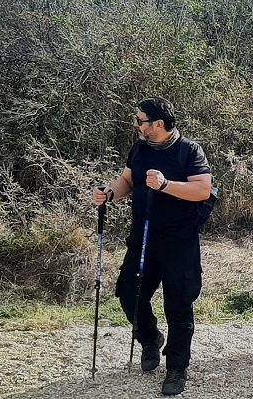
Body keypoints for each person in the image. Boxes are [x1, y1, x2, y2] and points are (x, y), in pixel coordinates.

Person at [92, 97, 213, 396]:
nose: (136, 124)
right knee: (128, 294)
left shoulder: (189, 151)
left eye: (140, 120)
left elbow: (202, 190)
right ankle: (150, 338)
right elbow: (127, 181)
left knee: (178, 305)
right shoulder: (140, 149)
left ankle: (177, 367)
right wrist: (109, 193)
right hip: (143, 239)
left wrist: (165, 185)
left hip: (179, 243)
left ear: (158, 124)